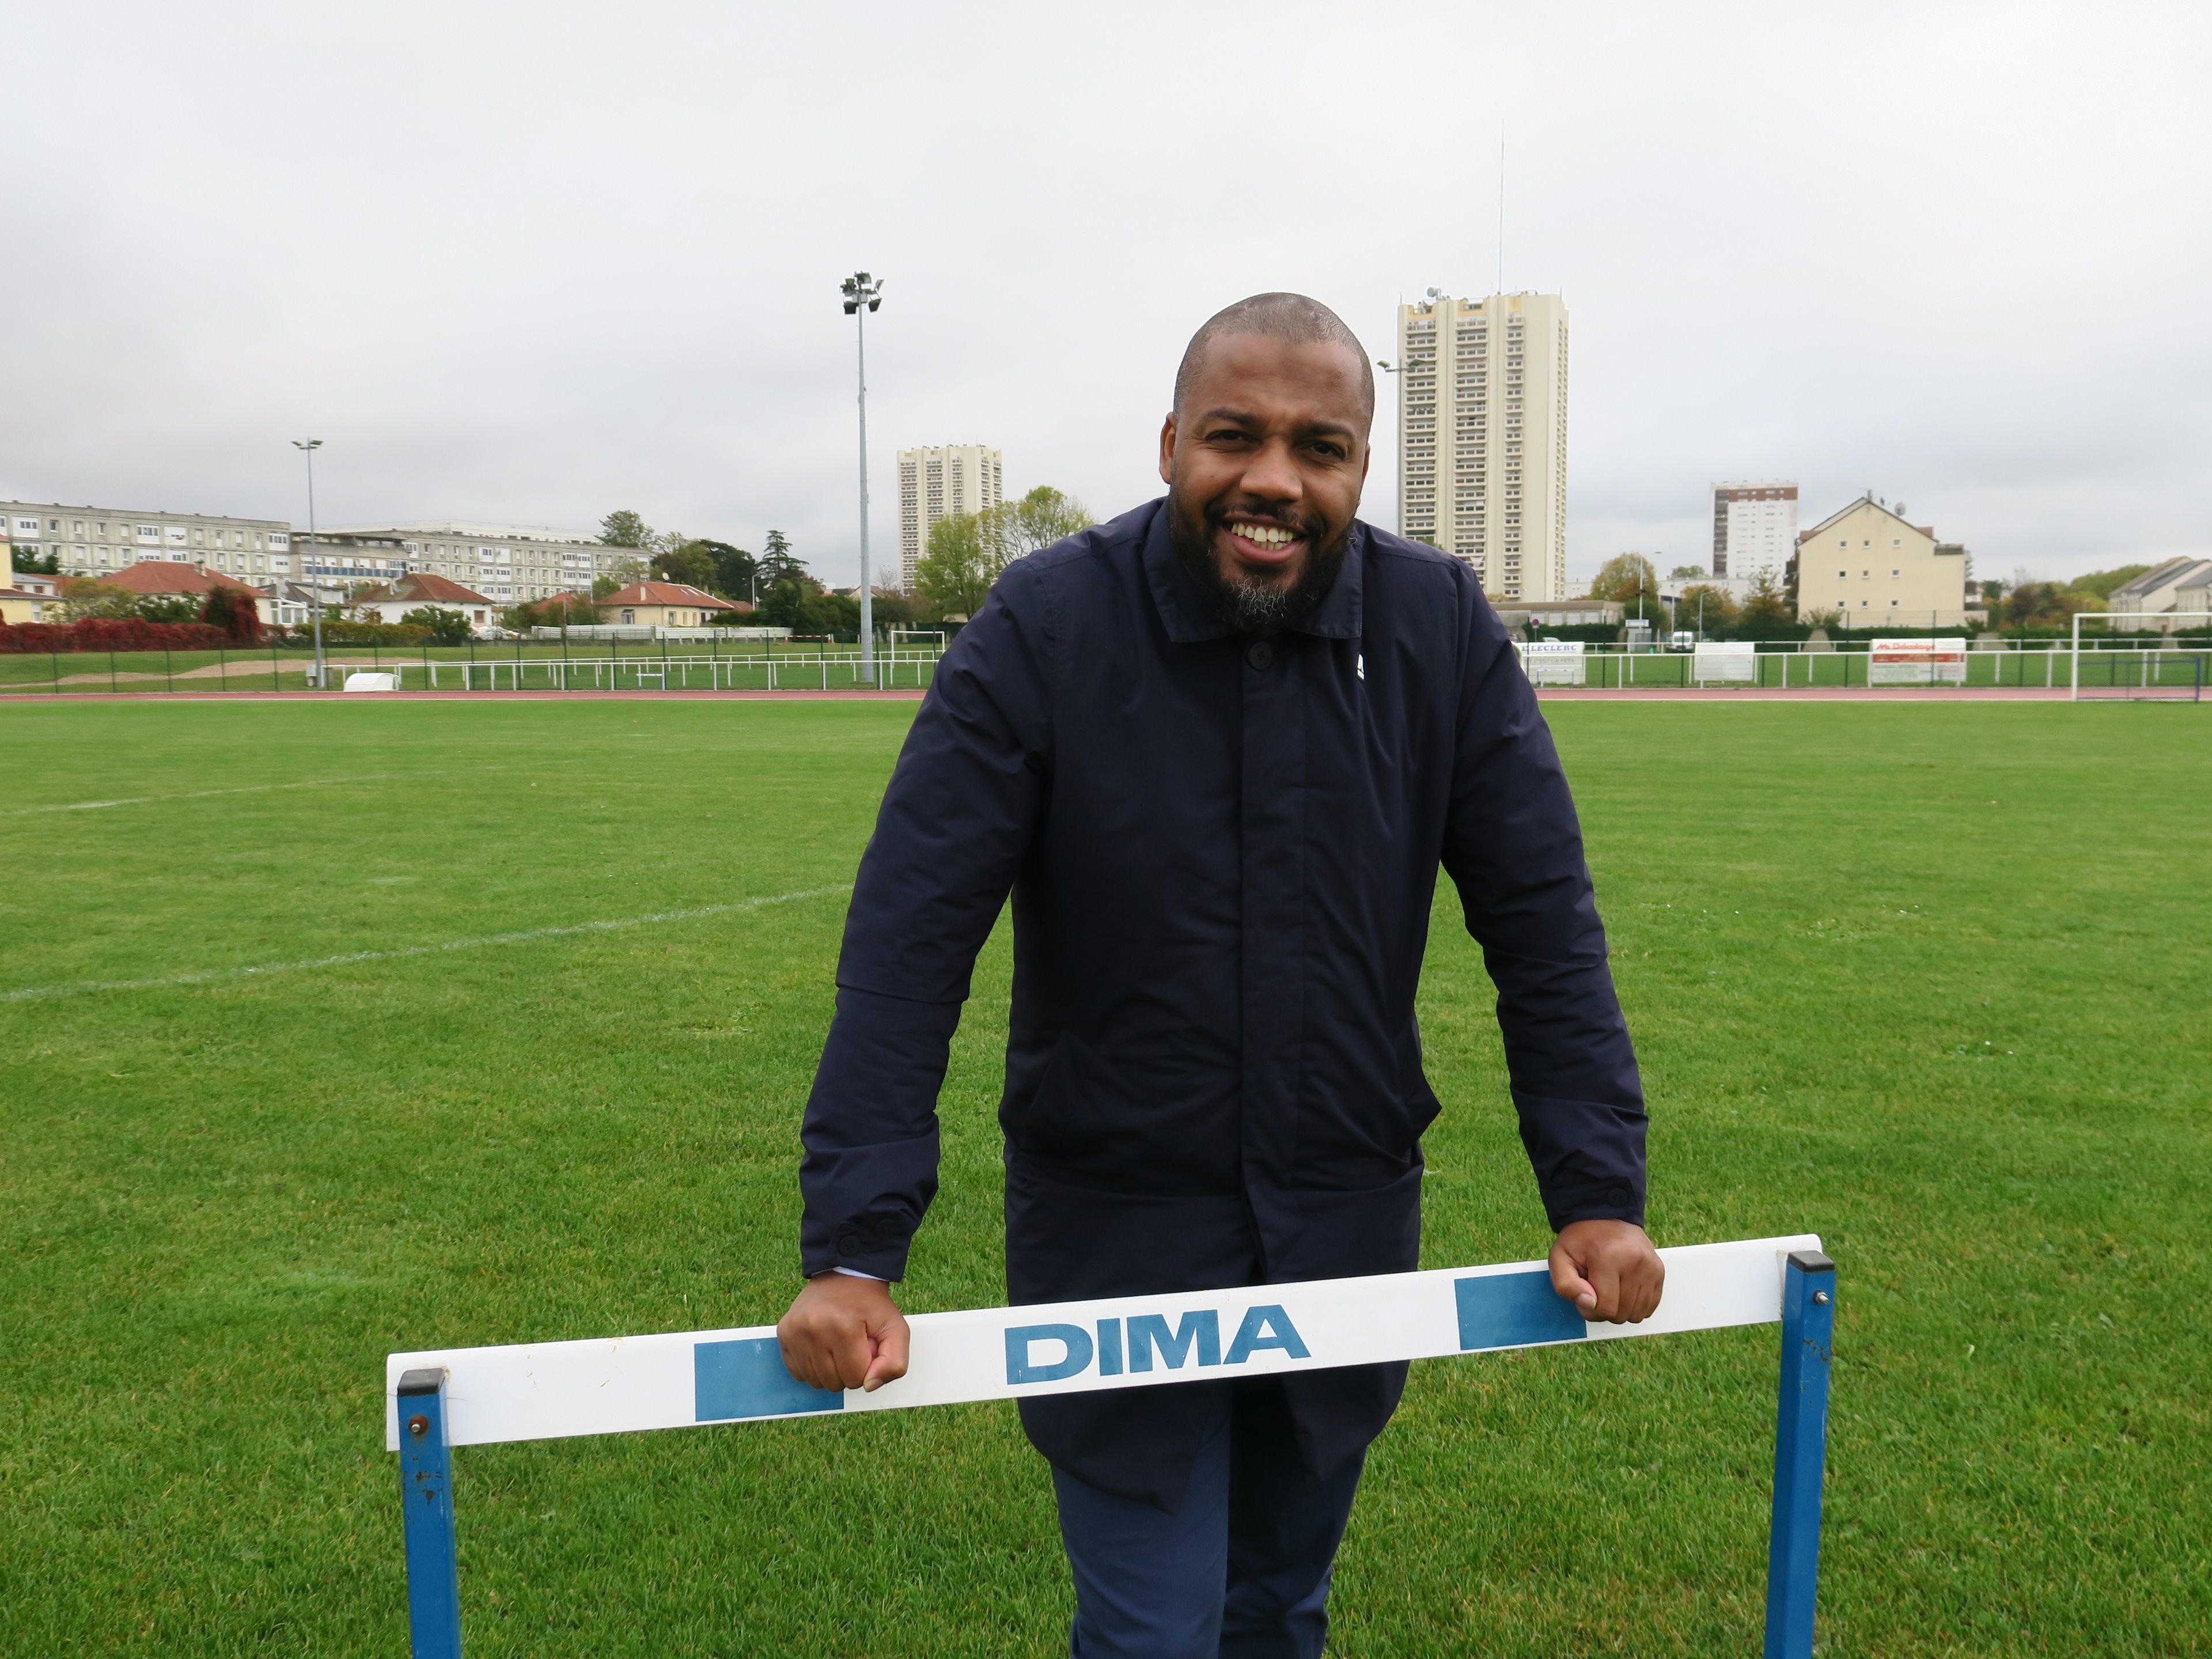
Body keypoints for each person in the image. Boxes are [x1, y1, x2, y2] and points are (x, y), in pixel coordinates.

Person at [778, 292, 1663, 1657]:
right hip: (1114, 1236)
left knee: (1279, 1613)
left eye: (1322, 447)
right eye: (1234, 437)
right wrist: (854, 1247)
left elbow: (1545, 929)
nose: (1274, 479)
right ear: (1170, 443)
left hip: (1344, 1227)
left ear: (1361, 468)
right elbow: (908, 945)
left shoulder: (1439, 630)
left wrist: (1598, 1192)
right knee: (1152, 1635)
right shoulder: (1044, 623)